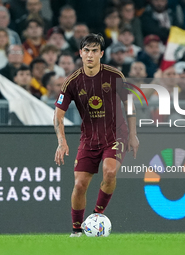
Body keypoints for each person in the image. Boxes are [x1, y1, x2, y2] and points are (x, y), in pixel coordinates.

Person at [53, 34, 139, 237]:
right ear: (81, 53)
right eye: (87, 51)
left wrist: (133, 135)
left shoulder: (115, 75)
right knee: (80, 184)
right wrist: (61, 142)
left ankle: (96, 217)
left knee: (109, 172)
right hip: (89, 139)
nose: (90, 55)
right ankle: (76, 231)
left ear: (101, 53)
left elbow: (129, 105)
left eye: (94, 51)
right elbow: (58, 115)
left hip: (116, 135)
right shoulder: (72, 82)